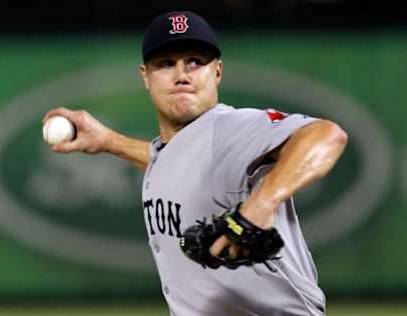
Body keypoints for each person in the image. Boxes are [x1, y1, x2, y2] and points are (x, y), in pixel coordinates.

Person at [43, 11, 347, 316]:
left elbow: (326, 135)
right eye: (166, 64)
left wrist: (261, 204)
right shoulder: (176, 150)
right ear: (145, 76)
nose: (182, 75)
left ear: (217, 72)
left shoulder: (231, 128)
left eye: (195, 62)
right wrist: (110, 142)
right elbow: (175, 162)